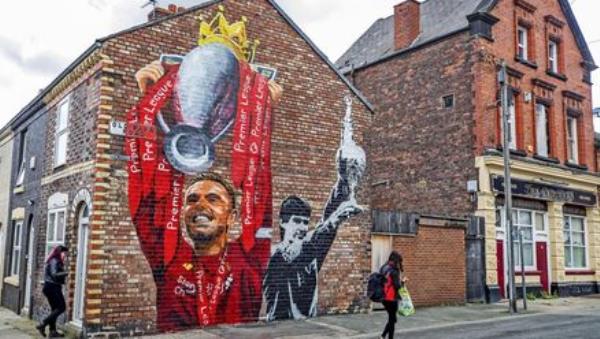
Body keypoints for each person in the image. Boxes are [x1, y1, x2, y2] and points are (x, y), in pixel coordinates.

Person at [133, 172, 265, 331]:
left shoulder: (247, 259)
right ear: (183, 214)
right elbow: (144, 205)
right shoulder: (171, 257)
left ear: (232, 216)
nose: (200, 204)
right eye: (192, 199)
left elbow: (262, 200)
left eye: (213, 199)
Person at [36, 245, 69, 338]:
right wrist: (67, 272)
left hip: (50, 287)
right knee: (61, 307)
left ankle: (52, 332)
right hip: (52, 287)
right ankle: (43, 323)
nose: (65, 256)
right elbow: (54, 274)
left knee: (55, 310)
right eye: (64, 254)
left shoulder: (54, 260)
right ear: (60, 252)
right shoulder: (55, 260)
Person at [380, 251, 407, 339]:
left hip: (383, 297)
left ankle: (383, 336)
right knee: (392, 320)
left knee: (393, 318)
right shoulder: (394, 271)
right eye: (399, 261)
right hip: (391, 298)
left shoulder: (384, 267)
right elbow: (397, 286)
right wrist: (403, 282)